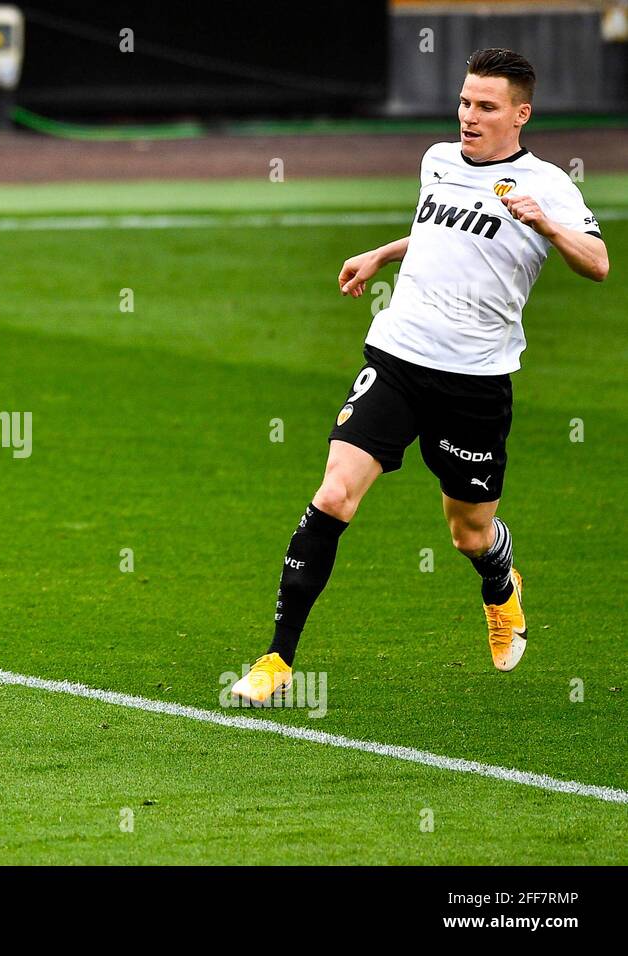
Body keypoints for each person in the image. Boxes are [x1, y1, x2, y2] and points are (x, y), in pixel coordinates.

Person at [230, 48, 609, 705]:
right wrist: (381, 252)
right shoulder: (437, 160)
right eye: (464, 101)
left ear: (520, 114)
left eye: (485, 106)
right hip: (399, 358)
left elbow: (598, 263)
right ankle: (276, 659)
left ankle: (499, 582)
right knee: (333, 497)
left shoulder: (548, 184)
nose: (468, 115)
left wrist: (545, 224)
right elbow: (440, 231)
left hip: (475, 382)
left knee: (469, 532)